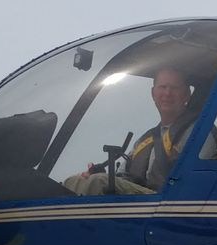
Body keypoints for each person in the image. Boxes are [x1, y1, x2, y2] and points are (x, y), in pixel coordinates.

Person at [64, 67, 200, 195]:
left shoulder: (199, 133)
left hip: (167, 201)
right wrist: (103, 173)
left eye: (174, 88)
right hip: (142, 201)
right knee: (74, 181)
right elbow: (122, 176)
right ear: (153, 94)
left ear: (187, 94)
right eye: (162, 87)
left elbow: (192, 181)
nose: (167, 93)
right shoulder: (147, 139)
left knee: (96, 182)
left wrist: (101, 179)